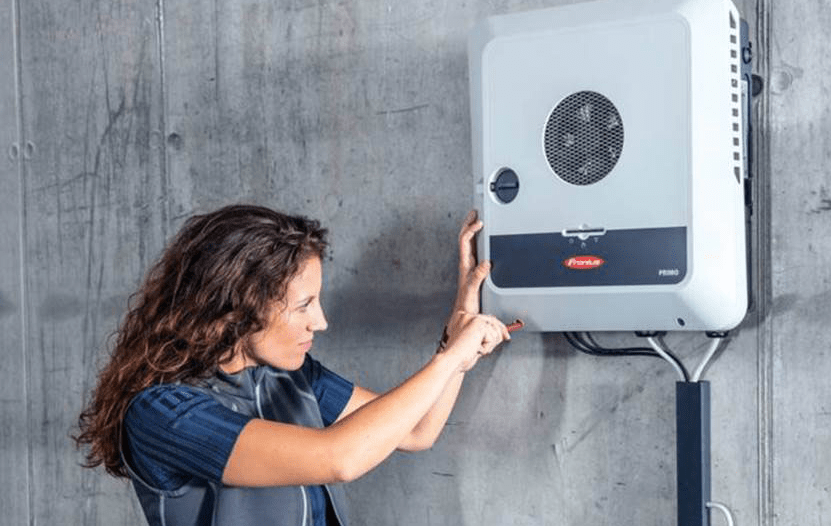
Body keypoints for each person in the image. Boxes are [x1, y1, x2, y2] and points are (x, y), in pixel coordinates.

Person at [74, 204, 513, 526]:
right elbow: (339, 458)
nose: (320, 321)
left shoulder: (291, 377)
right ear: (238, 306)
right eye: (303, 305)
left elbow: (417, 431)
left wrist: (457, 339)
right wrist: (452, 355)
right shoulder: (164, 413)